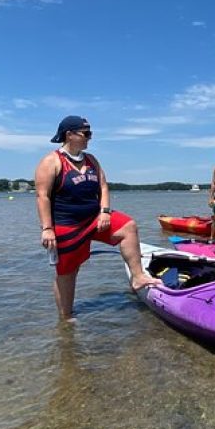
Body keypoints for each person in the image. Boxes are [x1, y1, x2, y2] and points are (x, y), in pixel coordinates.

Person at [35, 115, 159, 322]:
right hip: (67, 225)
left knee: (128, 227)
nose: (89, 138)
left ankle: (138, 277)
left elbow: (103, 185)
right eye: (86, 134)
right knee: (68, 273)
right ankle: (66, 319)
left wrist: (105, 211)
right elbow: (42, 196)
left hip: (94, 219)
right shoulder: (51, 162)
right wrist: (47, 229)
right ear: (69, 135)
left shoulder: (91, 160)